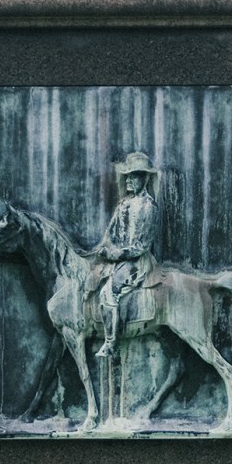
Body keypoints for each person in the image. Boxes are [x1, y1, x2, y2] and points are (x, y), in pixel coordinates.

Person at [91, 151, 162, 358]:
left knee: (108, 292)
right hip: (117, 259)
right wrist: (104, 247)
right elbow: (110, 233)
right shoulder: (124, 204)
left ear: (146, 178)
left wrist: (116, 254)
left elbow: (141, 246)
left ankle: (110, 342)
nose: (129, 180)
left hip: (136, 263)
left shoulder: (149, 207)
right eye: (128, 176)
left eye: (135, 175)